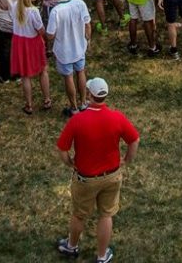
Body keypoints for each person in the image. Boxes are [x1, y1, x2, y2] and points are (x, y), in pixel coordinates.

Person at [55, 76, 139, 263]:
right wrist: (126, 160)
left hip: (85, 178)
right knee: (106, 214)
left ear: (90, 96)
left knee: (79, 214)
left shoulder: (78, 120)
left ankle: (72, 246)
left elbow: (62, 148)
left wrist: (69, 162)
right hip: (112, 176)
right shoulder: (117, 117)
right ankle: (102, 256)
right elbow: (134, 140)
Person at [47, 0, 93, 116]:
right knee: (81, 72)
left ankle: (74, 108)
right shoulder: (80, 3)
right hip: (79, 46)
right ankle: (84, 102)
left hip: (64, 50)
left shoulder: (56, 11)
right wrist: (87, 39)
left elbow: (50, 35)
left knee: (68, 77)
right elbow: (88, 24)